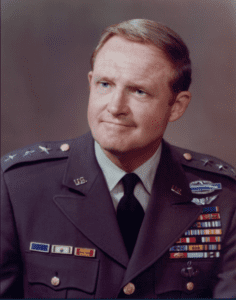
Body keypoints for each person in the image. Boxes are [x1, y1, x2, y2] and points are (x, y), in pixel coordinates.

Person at [1, 19, 236, 298]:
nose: (115, 107)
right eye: (105, 84)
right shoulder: (19, 187)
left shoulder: (223, 196)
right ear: (91, 84)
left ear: (177, 106)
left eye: (139, 91)